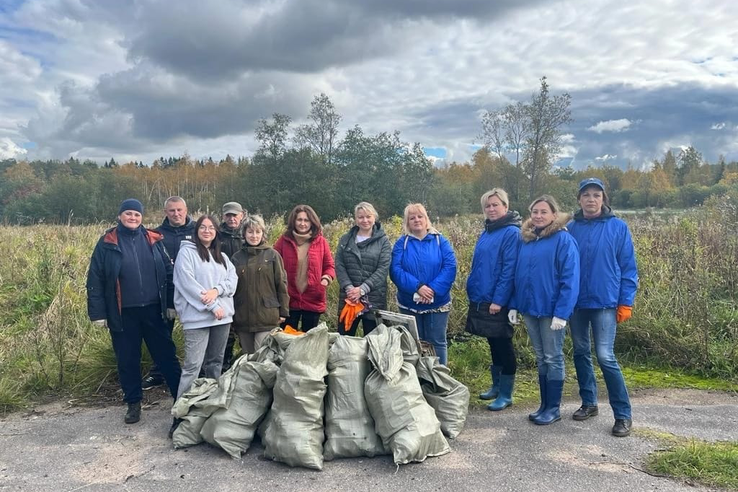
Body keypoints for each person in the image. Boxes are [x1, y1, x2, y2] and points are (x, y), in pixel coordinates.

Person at [86, 198, 181, 425]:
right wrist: (98, 313)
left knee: (166, 355)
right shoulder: (107, 243)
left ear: (142, 217)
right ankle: (133, 403)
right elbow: (95, 280)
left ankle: (181, 397)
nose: (133, 218)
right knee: (128, 359)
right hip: (122, 313)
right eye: (128, 214)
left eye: (137, 214)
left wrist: (170, 304)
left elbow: (169, 274)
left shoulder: (153, 239)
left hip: (153, 310)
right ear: (120, 216)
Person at [567, 177, 639, 437]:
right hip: (576, 303)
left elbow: (629, 268)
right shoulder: (570, 228)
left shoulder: (618, 228)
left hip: (606, 302)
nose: (591, 199)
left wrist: (625, 301)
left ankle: (623, 414)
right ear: (579, 199)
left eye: (596, 195)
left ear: (603, 199)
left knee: (606, 356)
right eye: (586, 195)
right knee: (580, 351)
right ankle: (589, 403)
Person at [509, 195, 580, 425]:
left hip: (551, 311)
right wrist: (514, 304)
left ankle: (553, 408)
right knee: (541, 357)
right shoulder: (527, 240)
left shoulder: (563, 240)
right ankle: (543, 404)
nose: (538, 216)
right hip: (530, 308)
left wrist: (562, 312)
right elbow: (517, 275)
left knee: (553, 357)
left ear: (553, 215)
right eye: (535, 212)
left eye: (543, 212)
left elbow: (570, 279)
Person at [171, 214, 237, 435]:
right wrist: (212, 305)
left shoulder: (223, 257)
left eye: (211, 227)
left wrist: (216, 292)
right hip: (198, 319)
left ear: (216, 231)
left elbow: (232, 281)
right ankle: (180, 414)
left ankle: (210, 407)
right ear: (197, 230)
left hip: (222, 318)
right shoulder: (186, 254)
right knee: (192, 366)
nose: (207, 231)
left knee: (215, 362)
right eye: (203, 227)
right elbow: (188, 284)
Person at [465, 189, 522, 411]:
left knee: (503, 344)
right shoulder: (487, 232)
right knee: (493, 343)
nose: (491, 209)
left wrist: (499, 300)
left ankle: (506, 393)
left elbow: (509, 269)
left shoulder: (511, 233)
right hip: (483, 297)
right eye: (487, 206)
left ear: (505, 207)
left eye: (495, 205)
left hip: (498, 301)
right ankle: (496, 386)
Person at [390, 203, 457, 365]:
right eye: (412, 218)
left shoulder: (440, 241)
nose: (416, 220)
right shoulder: (402, 243)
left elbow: (450, 266)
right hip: (409, 302)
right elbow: (395, 269)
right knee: (413, 343)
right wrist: (418, 287)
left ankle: (440, 378)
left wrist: (432, 289)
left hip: (437, 302)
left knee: (437, 341)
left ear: (426, 219)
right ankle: (419, 379)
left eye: (420, 216)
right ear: (407, 222)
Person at [143, 196, 196, 391]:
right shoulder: (156, 234)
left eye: (179, 210)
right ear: (166, 212)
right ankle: (159, 373)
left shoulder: (198, 230)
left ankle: (200, 371)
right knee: (162, 335)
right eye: (172, 210)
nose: (176, 214)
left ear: (186, 209)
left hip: (194, 292)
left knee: (199, 332)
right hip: (166, 294)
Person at [231, 215, 290, 353]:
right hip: (243, 316)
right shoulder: (236, 258)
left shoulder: (272, 255)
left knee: (263, 356)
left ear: (263, 234)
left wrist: (284, 311)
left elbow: (281, 284)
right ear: (244, 234)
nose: (254, 236)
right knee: (248, 357)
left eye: (258, 232)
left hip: (267, 316)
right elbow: (231, 289)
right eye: (250, 232)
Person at [274, 205, 335, 331]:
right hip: (289, 299)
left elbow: (330, 266)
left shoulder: (321, 242)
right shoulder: (283, 241)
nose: (302, 223)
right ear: (293, 221)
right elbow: (272, 264)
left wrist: (325, 279)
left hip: (313, 298)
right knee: (287, 341)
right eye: (299, 220)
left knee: (309, 342)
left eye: (306, 220)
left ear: (312, 222)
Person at [335, 202, 392, 336]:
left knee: (372, 343)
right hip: (349, 299)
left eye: (368, 216)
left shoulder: (383, 241)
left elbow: (383, 269)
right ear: (356, 219)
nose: (365, 220)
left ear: (374, 218)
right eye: (361, 217)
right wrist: (349, 288)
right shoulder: (345, 240)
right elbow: (339, 265)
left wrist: (362, 290)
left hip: (374, 299)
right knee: (344, 341)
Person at [218, 201, 246, 370]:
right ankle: (223, 362)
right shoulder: (217, 235)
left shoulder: (248, 234)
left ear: (241, 215)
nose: (231, 218)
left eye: (234, 215)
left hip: (244, 287)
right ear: (223, 216)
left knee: (243, 325)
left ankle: (244, 360)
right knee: (226, 330)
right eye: (228, 215)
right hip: (223, 289)